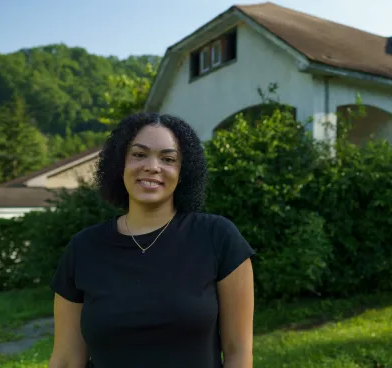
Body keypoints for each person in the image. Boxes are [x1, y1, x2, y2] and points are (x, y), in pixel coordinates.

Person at [48, 112, 255, 368]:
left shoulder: (219, 238)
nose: (152, 167)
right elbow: (67, 360)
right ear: (119, 164)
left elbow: (238, 353)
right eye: (139, 154)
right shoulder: (83, 249)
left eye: (168, 159)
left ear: (183, 172)